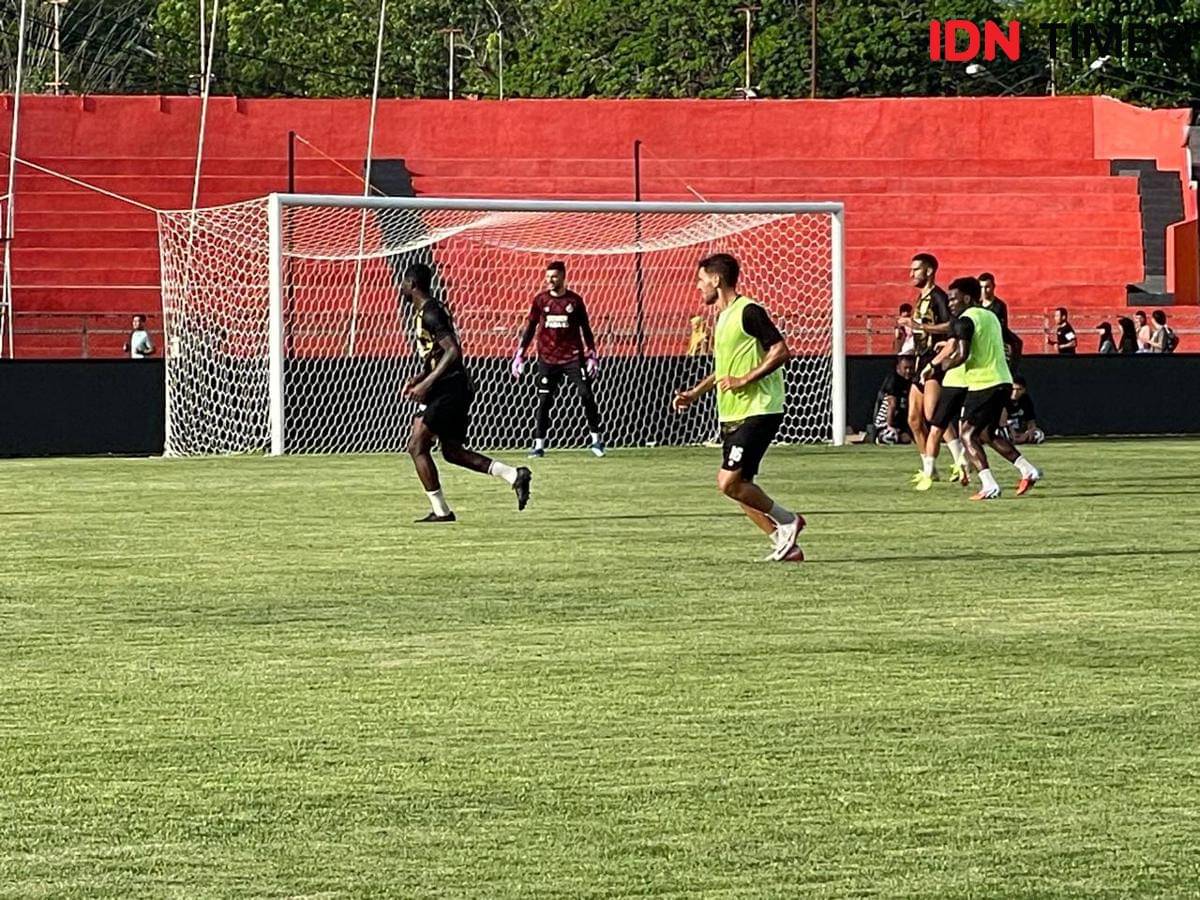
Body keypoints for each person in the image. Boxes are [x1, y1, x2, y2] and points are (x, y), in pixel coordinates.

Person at [672, 252, 804, 562]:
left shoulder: (748, 311)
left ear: (716, 280)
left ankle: (788, 521)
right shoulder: (723, 317)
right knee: (739, 486)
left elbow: (781, 351)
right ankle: (784, 544)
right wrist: (694, 393)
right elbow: (723, 368)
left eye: (701, 281)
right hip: (732, 412)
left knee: (728, 481)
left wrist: (746, 378)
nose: (698, 287)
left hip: (759, 409)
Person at [402, 262, 532, 522]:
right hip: (447, 385)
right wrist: (421, 376)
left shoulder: (431, 313)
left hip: (449, 388)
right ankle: (513, 475)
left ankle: (442, 512)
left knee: (417, 446)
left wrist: (427, 384)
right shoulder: (425, 311)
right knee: (451, 451)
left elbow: (452, 351)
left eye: (404, 283)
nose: (401, 288)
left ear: (412, 284)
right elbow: (438, 354)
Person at [926, 276, 1041, 500]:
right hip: (1002, 381)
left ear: (966, 298)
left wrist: (937, 367)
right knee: (988, 434)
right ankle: (1028, 469)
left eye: (953, 299)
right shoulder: (991, 316)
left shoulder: (964, 321)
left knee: (967, 435)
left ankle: (989, 485)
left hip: (983, 383)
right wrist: (1010, 367)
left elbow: (961, 354)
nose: (950, 304)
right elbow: (1015, 343)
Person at [513, 261, 604, 458]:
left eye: (554, 277)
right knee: (545, 400)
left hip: (572, 356)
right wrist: (520, 354)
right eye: (547, 277)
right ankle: (538, 445)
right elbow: (530, 328)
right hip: (547, 358)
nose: (550, 280)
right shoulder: (540, 301)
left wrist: (592, 354)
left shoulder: (575, 301)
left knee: (586, 394)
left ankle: (596, 440)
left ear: (563, 276)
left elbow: (585, 329)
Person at [898, 253, 961, 484]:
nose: (911, 274)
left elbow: (951, 325)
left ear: (929, 271)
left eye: (916, 269)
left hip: (934, 359)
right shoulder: (921, 298)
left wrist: (918, 326)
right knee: (914, 419)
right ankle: (929, 467)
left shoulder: (938, 297)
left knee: (933, 414)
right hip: (919, 359)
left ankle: (959, 459)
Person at [864, 355, 914, 445]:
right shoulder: (893, 381)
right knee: (892, 437)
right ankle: (880, 437)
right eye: (905, 368)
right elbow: (892, 405)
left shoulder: (910, 381)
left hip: (900, 424)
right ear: (898, 367)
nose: (908, 371)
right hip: (884, 424)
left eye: (910, 368)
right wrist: (889, 426)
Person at [1005, 375, 1045, 445]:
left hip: (1019, 432)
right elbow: (1001, 422)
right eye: (1013, 389)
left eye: (1019, 389)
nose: (1015, 393)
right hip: (1006, 430)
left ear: (1024, 390)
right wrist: (1011, 431)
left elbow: (1031, 421)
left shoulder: (1026, 400)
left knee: (1039, 434)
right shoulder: (1003, 399)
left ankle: (1019, 440)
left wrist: (1029, 432)